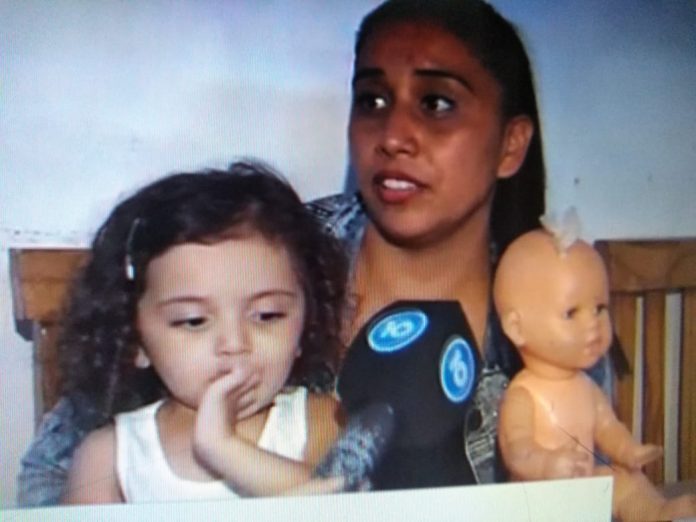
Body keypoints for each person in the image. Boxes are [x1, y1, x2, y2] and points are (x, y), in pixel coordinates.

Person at [18, 0, 613, 505]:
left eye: (436, 104)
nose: (393, 135)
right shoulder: (262, 251)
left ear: (510, 145)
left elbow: (588, 488)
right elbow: (53, 469)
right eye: (372, 101)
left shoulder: (558, 302)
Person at [56, 163, 347, 503]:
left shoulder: (321, 421)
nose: (235, 344)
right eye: (193, 321)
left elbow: (346, 508)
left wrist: (224, 449)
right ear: (136, 339)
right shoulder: (109, 457)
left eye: (267, 315)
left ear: (306, 324)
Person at [493, 222, 696, 520]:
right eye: (571, 312)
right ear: (517, 328)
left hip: (584, 489)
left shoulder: (587, 386)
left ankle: (655, 511)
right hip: (537, 499)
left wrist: (628, 450)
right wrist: (547, 464)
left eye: (599, 308)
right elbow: (517, 450)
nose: (593, 324)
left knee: (625, 479)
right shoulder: (523, 394)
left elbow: (607, 427)